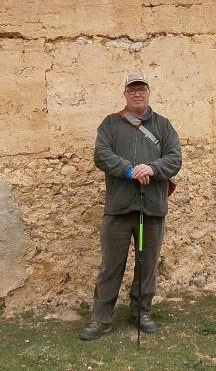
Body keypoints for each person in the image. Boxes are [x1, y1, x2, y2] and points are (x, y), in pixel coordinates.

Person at [79, 73, 182, 341]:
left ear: (149, 93)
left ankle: (141, 313)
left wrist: (152, 168)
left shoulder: (163, 125)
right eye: (132, 89)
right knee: (111, 266)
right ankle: (101, 319)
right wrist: (130, 170)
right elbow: (102, 155)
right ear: (125, 94)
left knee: (147, 266)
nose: (137, 94)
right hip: (119, 208)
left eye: (142, 89)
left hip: (152, 209)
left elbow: (174, 158)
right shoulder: (110, 124)